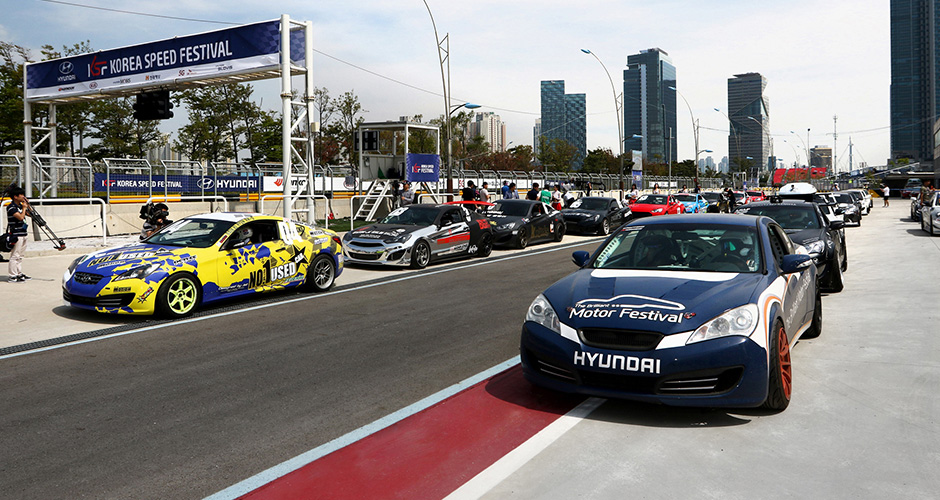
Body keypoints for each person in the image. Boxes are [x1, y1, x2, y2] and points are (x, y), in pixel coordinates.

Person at [6, 186, 31, 282]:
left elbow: (30, 214)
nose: (23, 196)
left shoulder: (20, 206)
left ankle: (19, 273)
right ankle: (12, 275)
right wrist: (24, 208)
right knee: (15, 255)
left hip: (23, 233)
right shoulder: (11, 207)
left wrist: (27, 205)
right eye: (21, 195)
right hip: (16, 234)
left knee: (20, 255)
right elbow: (20, 217)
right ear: (15, 197)